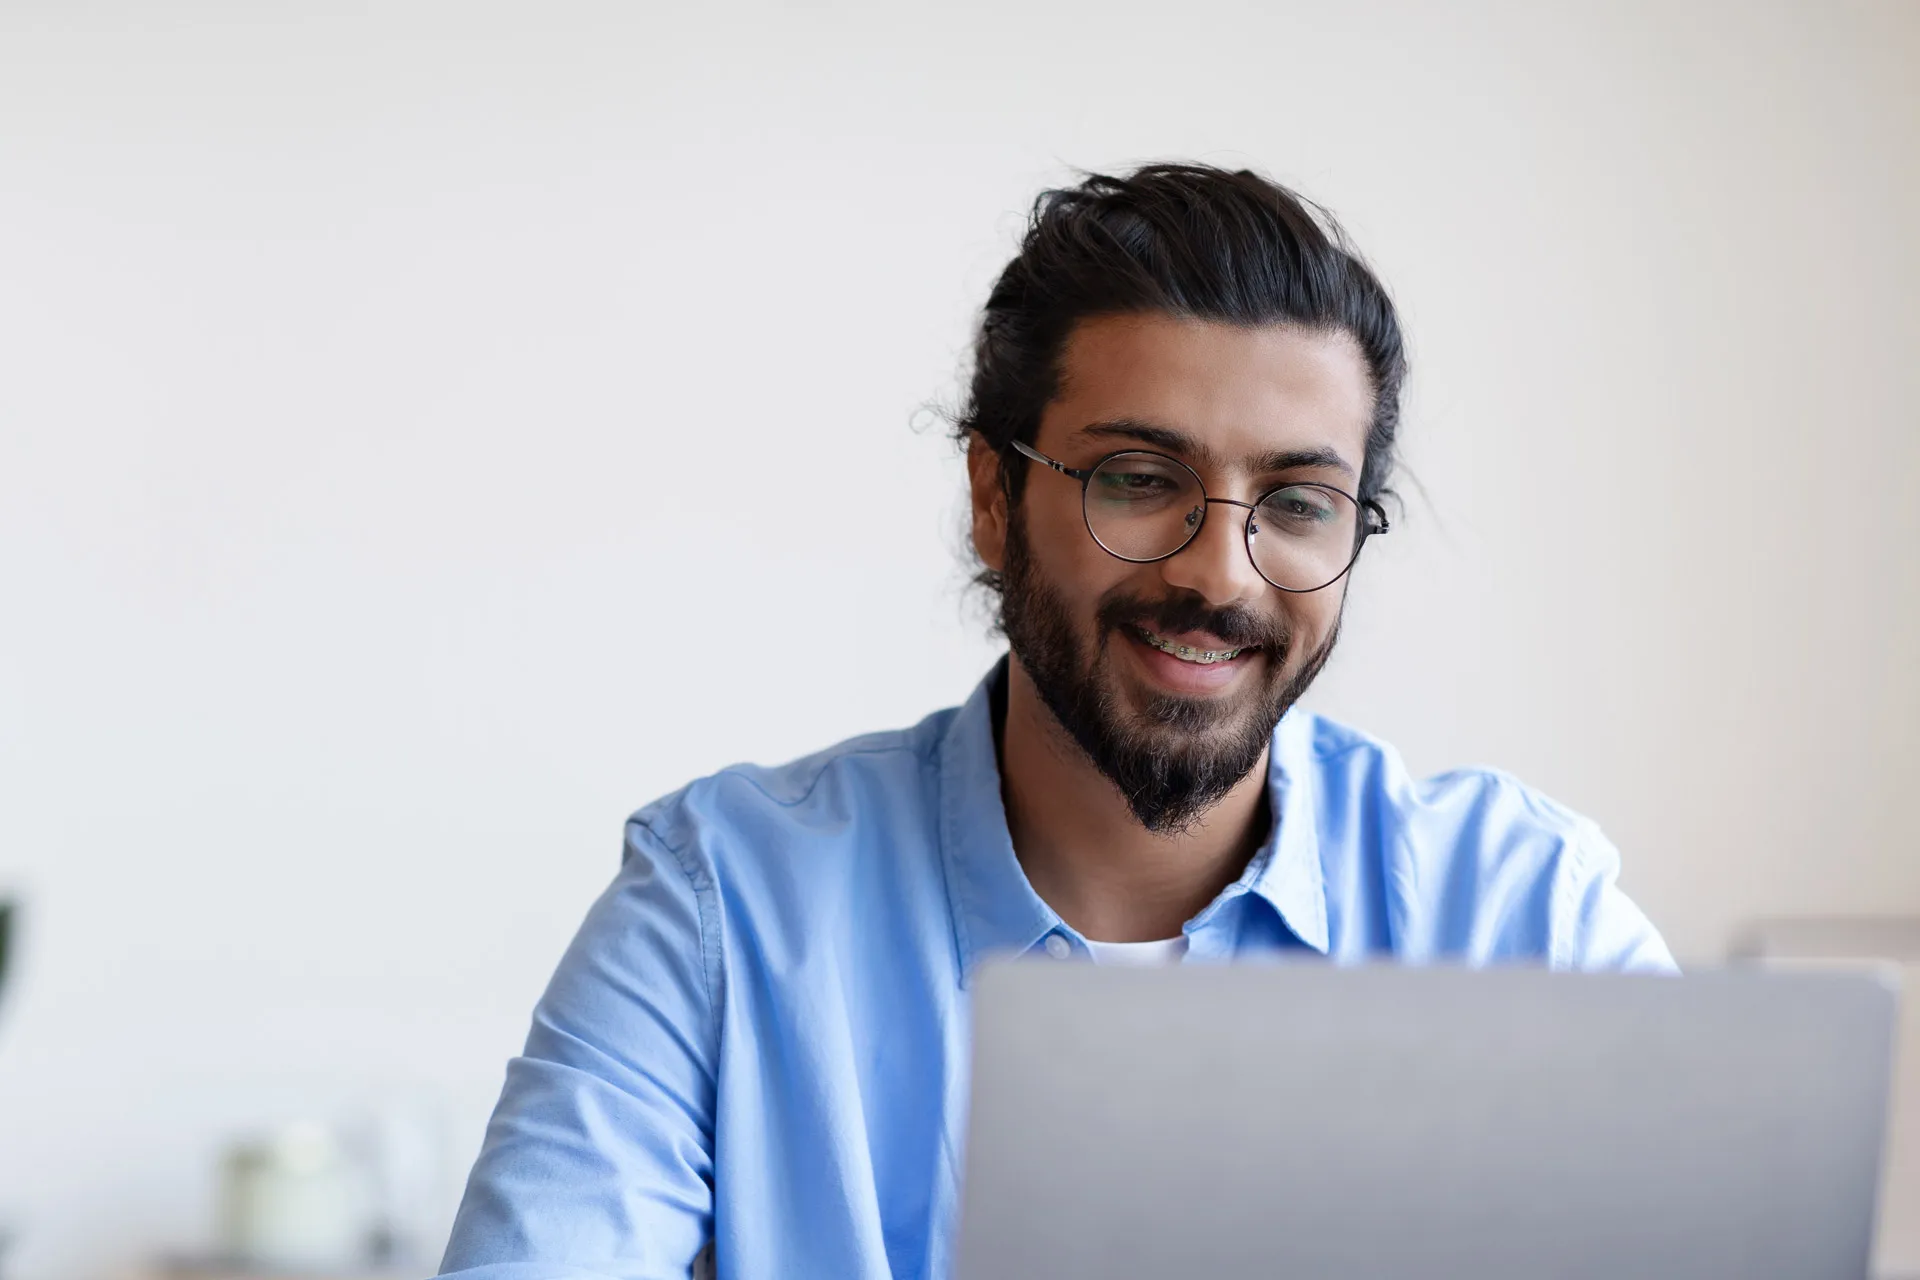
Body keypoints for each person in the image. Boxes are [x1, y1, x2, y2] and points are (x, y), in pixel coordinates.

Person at [437, 162, 1673, 1280]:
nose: (1224, 576)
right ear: (993, 493)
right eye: (1140, 481)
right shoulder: (724, 903)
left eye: (1298, 500)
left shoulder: (1522, 909)